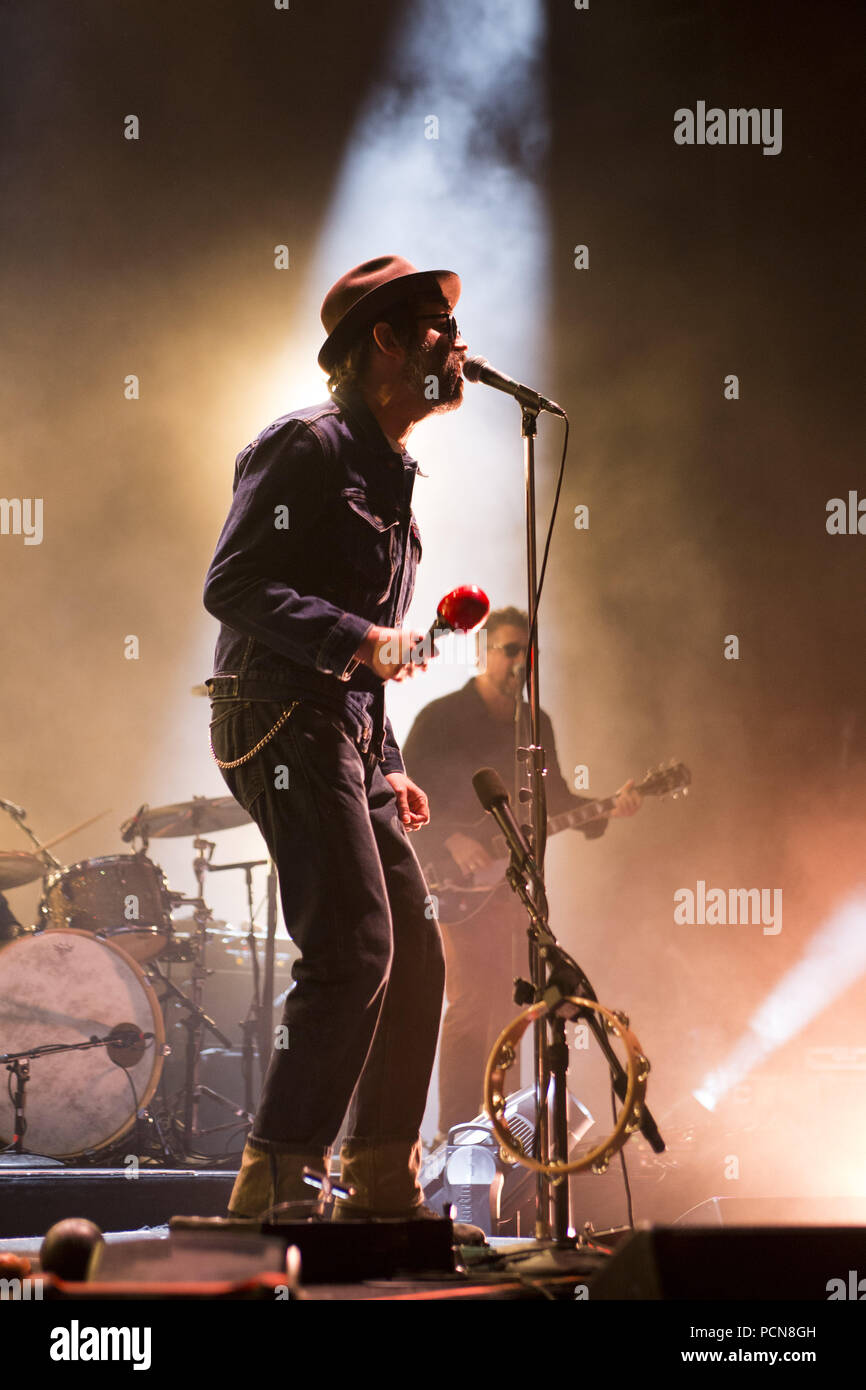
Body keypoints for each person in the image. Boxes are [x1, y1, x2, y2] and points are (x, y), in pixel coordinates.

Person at [203, 254, 469, 1221]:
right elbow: (231, 585)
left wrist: (388, 764)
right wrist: (360, 639)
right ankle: (271, 1189)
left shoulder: (396, 478)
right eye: (437, 328)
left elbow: (378, 661)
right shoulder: (306, 446)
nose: (458, 346)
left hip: (344, 734)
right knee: (355, 945)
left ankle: (381, 1184)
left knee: (419, 956)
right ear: (384, 343)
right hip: (275, 714)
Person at [401, 607, 642, 1141]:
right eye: (509, 650)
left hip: (516, 888)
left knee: (518, 1012)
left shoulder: (537, 724)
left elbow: (552, 801)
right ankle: (451, 1138)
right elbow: (404, 792)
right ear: (485, 653)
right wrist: (450, 838)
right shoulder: (441, 717)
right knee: (468, 1006)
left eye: (526, 652)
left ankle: (504, 1138)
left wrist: (607, 807)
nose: (519, 661)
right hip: (453, 886)